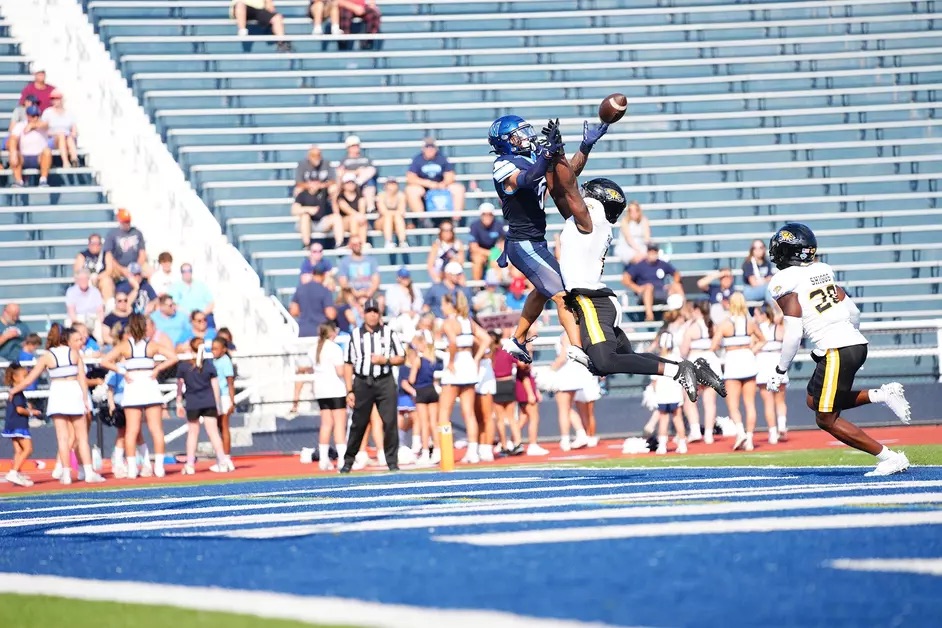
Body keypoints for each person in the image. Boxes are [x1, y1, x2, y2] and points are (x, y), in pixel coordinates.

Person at [550, 166, 720, 400]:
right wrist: (550, 164)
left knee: (604, 361)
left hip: (590, 301)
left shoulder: (593, 219)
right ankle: (691, 368)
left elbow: (567, 190)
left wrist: (558, 157)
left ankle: (679, 370)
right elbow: (559, 193)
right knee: (615, 361)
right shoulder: (588, 224)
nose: (582, 197)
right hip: (599, 301)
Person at [764, 222, 912, 476]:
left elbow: (794, 332)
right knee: (814, 400)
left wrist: (780, 369)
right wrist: (851, 339)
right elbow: (853, 311)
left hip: (836, 348)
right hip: (853, 341)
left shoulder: (783, 280)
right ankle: (882, 395)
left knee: (826, 419)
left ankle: (889, 458)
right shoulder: (823, 270)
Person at [488, 116, 604, 365]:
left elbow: (567, 178)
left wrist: (585, 146)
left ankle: (518, 339)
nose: (527, 136)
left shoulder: (533, 158)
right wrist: (546, 155)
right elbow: (527, 178)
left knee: (543, 291)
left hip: (535, 242)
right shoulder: (502, 164)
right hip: (523, 244)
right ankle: (578, 348)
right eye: (519, 133)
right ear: (505, 141)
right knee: (564, 295)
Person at [8, 324, 105, 484]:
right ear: (67, 340)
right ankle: (88, 472)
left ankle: (66, 474)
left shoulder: (47, 356)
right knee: (82, 437)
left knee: (62, 437)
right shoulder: (74, 354)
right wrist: (85, 400)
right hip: (73, 392)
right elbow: (81, 378)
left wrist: (13, 390)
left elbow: (30, 378)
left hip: (58, 393)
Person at [101, 313, 178, 479]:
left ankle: (132, 470)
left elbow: (104, 361)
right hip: (148, 386)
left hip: (133, 387)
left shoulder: (124, 346)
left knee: (131, 430)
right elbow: (174, 357)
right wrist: (157, 369)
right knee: (156, 429)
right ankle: (158, 467)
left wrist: (122, 370)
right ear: (144, 327)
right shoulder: (152, 345)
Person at [339, 298, 406, 473]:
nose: (372, 315)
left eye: (375, 311)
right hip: (362, 381)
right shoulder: (354, 335)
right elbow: (348, 363)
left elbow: (402, 356)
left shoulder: (389, 333)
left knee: (390, 421)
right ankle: (348, 461)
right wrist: (349, 390)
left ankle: (392, 461)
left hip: (384, 381)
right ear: (363, 313)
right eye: (369, 311)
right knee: (358, 423)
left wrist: (386, 360)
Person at [437, 292, 489, 464]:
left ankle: (443, 453)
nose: (442, 308)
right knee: (468, 412)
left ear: (450, 305)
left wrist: (451, 361)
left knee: (444, 411)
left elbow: (452, 343)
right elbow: (486, 339)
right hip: (468, 364)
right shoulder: (468, 321)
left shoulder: (449, 322)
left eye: (444, 304)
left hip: (457, 364)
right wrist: (475, 358)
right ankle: (473, 452)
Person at [711, 292, 765, 451]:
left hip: (733, 361)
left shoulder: (725, 323)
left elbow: (713, 346)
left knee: (733, 404)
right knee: (750, 404)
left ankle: (740, 432)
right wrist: (752, 350)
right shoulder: (750, 322)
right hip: (748, 360)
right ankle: (749, 439)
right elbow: (763, 340)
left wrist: (724, 346)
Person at [176, 337, 228, 475]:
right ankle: (222, 461)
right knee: (213, 433)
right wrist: (217, 404)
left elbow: (179, 387)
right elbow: (215, 386)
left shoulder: (184, 366)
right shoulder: (208, 365)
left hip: (193, 403)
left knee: (192, 434)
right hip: (208, 402)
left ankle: (190, 464)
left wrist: (178, 403)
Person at [308, 323, 348, 471]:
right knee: (339, 424)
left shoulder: (313, 349)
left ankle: (323, 459)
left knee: (326, 424)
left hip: (321, 391)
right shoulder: (334, 348)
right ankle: (343, 458)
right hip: (336, 389)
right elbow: (340, 372)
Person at [680, 301, 721, 444]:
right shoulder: (713, 326)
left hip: (695, 362)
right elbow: (717, 345)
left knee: (690, 400)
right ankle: (709, 434)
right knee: (710, 402)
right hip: (711, 363)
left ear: (697, 310)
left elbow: (683, 351)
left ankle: (695, 430)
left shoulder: (691, 328)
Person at [548, 332, 591, 452]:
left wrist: (549, 371)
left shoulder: (566, 335)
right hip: (573, 373)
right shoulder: (577, 333)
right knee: (568, 408)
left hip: (565, 374)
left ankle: (565, 439)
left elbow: (563, 357)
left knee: (563, 409)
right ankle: (581, 434)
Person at [292, 145, 341, 248]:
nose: (316, 157)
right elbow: (294, 209)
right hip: (307, 221)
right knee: (304, 216)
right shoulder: (303, 193)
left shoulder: (326, 165)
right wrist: (308, 209)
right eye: (314, 155)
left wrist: (321, 186)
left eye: (318, 155)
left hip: (322, 220)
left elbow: (333, 181)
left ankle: (339, 244)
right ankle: (306, 244)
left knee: (334, 190)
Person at [406, 138, 465, 220]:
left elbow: (450, 175)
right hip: (424, 187)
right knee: (411, 190)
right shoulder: (417, 159)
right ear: (423, 149)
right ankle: (422, 219)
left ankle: (456, 218)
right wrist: (428, 183)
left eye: (432, 147)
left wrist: (443, 183)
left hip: (441, 186)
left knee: (458, 188)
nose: (430, 149)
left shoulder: (441, 158)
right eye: (427, 147)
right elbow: (411, 178)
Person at [622, 243, 682, 322]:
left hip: (660, 291)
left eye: (654, 252)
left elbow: (676, 274)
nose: (652, 254)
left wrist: (673, 284)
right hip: (645, 292)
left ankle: (682, 313)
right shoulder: (640, 265)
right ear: (647, 252)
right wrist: (637, 288)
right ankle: (649, 315)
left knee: (677, 286)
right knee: (649, 287)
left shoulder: (662, 264)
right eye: (651, 251)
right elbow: (625, 279)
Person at [755, 304, 788, 444]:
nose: (755, 317)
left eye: (757, 314)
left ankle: (773, 433)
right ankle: (782, 425)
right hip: (777, 364)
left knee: (768, 402)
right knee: (780, 400)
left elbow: (752, 347)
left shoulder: (756, 331)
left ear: (763, 315)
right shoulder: (779, 329)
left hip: (763, 365)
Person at [101, 208, 148, 305]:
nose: (127, 224)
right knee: (105, 280)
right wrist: (122, 269)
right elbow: (109, 256)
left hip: (135, 265)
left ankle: (151, 300)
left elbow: (142, 253)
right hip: (117, 267)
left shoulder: (137, 233)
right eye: (124, 222)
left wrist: (136, 268)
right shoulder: (112, 235)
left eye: (128, 222)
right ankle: (110, 305)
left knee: (150, 272)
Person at [2, 363, 38, 486]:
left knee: (18, 451)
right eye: (24, 376)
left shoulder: (16, 392)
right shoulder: (17, 393)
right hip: (19, 424)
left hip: (11, 424)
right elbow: (19, 410)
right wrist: (31, 412)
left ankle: (16, 473)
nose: (27, 379)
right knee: (28, 449)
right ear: (15, 378)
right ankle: (13, 472)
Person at [407, 331, 440, 464]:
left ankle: (426, 451)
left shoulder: (418, 360)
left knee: (424, 423)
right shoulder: (433, 359)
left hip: (421, 391)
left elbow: (411, 379)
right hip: (432, 390)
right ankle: (438, 450)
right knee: (434, 423)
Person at [652, 328, 687, 455]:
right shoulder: (678, 359)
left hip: (663, 394)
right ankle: (682, 444)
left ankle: (662, 446)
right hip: (675, 393)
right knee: (678, 418)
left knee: (663, 419)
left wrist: (655, 394)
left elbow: (654, 381)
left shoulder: (657, 360)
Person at [489, 330, 523, 455]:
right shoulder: (506, 351)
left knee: (500, 419)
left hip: (497, 384)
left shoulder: (490, 355)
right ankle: (518, 443)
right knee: (511, 417)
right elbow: (520, 363)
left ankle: (504, 445)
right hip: (508, 383)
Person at [8, 105, 51, 187]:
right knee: (14, 153)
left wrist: (32, 126)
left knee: (47, 151)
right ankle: (19, 181)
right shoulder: (20, 125)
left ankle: (43, 180)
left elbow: (46, 125)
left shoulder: (43, 124)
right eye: (33, 116)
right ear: (27, 115)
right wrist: (13, 152)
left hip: (39, 157)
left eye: (37, 115)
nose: (35, 118)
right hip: (24, 156)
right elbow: (13, 138)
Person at [211, 337, 237, 469]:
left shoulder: (225, 361)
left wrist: (232, 401)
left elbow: (230, 382)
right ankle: (222, 458)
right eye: (212, 348)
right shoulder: (214, 361)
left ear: (224, 349)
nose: (213, 351)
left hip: (224, 397)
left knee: (224, 426)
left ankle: (226, 458)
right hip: (216, 397)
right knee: (219, 428)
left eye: (216, 348)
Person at [336, 135, 377, 211]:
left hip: (364, 180)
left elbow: (372, 170)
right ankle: (356, 183)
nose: (355, 148)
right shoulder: (345, 160)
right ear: (348, 148)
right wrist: (356, 172)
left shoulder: (365, 159)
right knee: (345, 175)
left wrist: (361, 172)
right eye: (353, 146)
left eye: (357, 146)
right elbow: (340, 171)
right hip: (350, 179)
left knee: (370, 175)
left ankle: (370, 207)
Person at [336, 235, 380, 302]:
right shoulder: (344, 261)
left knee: (381, 300)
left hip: (369, 291)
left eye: (359, 243)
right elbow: (343, 282)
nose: (357, 245)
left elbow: (376, 280)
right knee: (348, 298)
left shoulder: (371, 260)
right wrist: (355, 293)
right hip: (352, 293)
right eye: (354, 244)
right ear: (350, 245)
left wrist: (369, 292)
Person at [41, 89, 79, 168]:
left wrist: (72, 134)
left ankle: (74, 159)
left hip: (67, 137)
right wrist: (57, 133)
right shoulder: (47, 112)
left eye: (57, 98)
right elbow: (44, 130)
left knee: (68, 137)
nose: (55, 101)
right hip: (53, 138)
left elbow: (74, 129)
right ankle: (65, 162)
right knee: (62, 135)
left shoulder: (69, 113)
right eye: (53, 99)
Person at [171, 264, 215, 328]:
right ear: (181, 273)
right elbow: (174, 305)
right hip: (186, 317)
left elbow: (211, 303)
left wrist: (201, 315)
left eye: (189, 270)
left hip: (204, 315)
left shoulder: (200, 284)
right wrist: (191, 316)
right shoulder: (175, 286)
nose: (187, 273)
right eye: (184, 271)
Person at [468, 203, 504, 281]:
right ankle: (477, 286)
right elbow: (474, 248)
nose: (487, 217)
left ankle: (497, 286)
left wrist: (496, 253)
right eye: (484, 214)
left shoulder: (498, 225)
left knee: (501, 260)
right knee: (477, 259)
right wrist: (491, 254)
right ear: (481, 215)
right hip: (482, 253)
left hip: (494, 252)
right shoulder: (475, 226)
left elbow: (503, 242)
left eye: (490, 214)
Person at [426, 219, 465, 284]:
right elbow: (430, 265)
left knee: (462, 280)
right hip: (440, 274)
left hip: (455, 274)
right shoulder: (436, 245)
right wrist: (436, 278)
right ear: (441, 232)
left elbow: (461, 262)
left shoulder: (458, 244)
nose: (448, 232)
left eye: (450, 230)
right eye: (445, 230)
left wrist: (454, 260)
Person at [613, 201, 651, 265]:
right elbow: (628, 239)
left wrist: (643, 250)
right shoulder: (624, 221)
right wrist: (639, 250)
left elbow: (647, 237)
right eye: (630, 210)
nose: (633, 212)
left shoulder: (644, 220)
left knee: (650, 255)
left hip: (641, 246)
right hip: (626, 246)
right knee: (637, 257)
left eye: (636, 210)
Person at [336, 172, 368, 244]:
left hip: (358, 220)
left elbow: (362, 212)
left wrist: (360, 217)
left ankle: (363, 243)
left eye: (352, 182)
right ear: (343, 185)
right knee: (354, 218)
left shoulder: (360, 197)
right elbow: (348, 210)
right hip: (344, 222)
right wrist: (358, 216)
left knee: (362, 220)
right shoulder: (341, 198)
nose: (350, 185)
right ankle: (354, 242)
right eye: (348, 183)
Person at [376, 178, 407, 248]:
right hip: (381, 222)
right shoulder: (381, 195)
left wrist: (393, 213)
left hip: (396, 221)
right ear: (385, 186)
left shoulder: (401, 195)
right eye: (390, 184)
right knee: (388, 216)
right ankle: (388, 241)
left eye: (394, 184)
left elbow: (402, 211)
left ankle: (402, 241)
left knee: (398, 217)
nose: (392, 186)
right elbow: (383, 211)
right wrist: (394, 213)